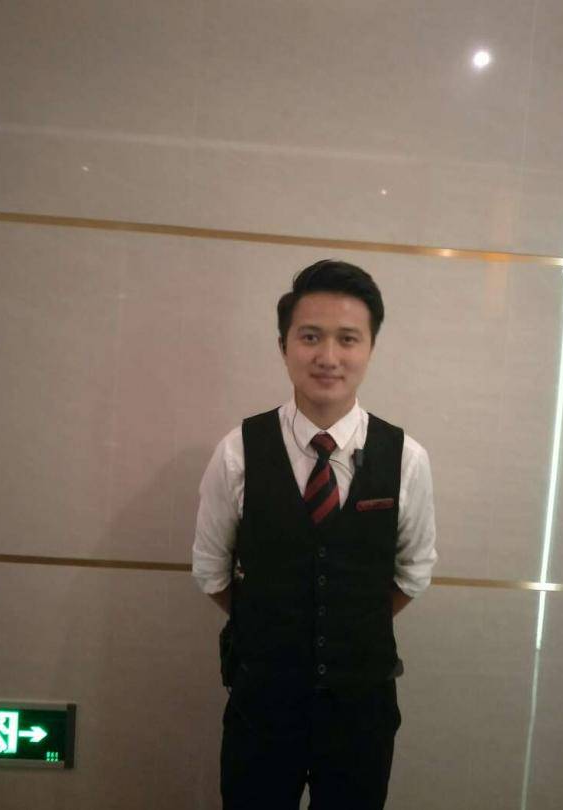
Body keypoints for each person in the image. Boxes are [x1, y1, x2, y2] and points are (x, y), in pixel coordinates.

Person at [192, 258, 437, 810]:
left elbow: (413, 573)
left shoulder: (407, 459)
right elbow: (210, 570)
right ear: (284, 346)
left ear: (370, 348)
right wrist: (274, 621)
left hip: (361, 710)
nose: (328, 356)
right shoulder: (237, 452)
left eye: (348, 338)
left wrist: (347, 621)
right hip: (262, 704)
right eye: (310, 337)